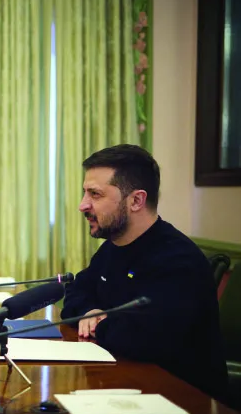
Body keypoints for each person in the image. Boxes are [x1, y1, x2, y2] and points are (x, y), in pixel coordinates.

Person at [61, 144, 227, 399]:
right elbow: (76, 292)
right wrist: (90, 312)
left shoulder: (178, 260)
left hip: (180, 403)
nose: (83, 205)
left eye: (95, 194)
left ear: (136, 200)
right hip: (123, 386)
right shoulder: (113, 247)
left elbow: (142, 340)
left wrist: (98, 323)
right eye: (85, 193)